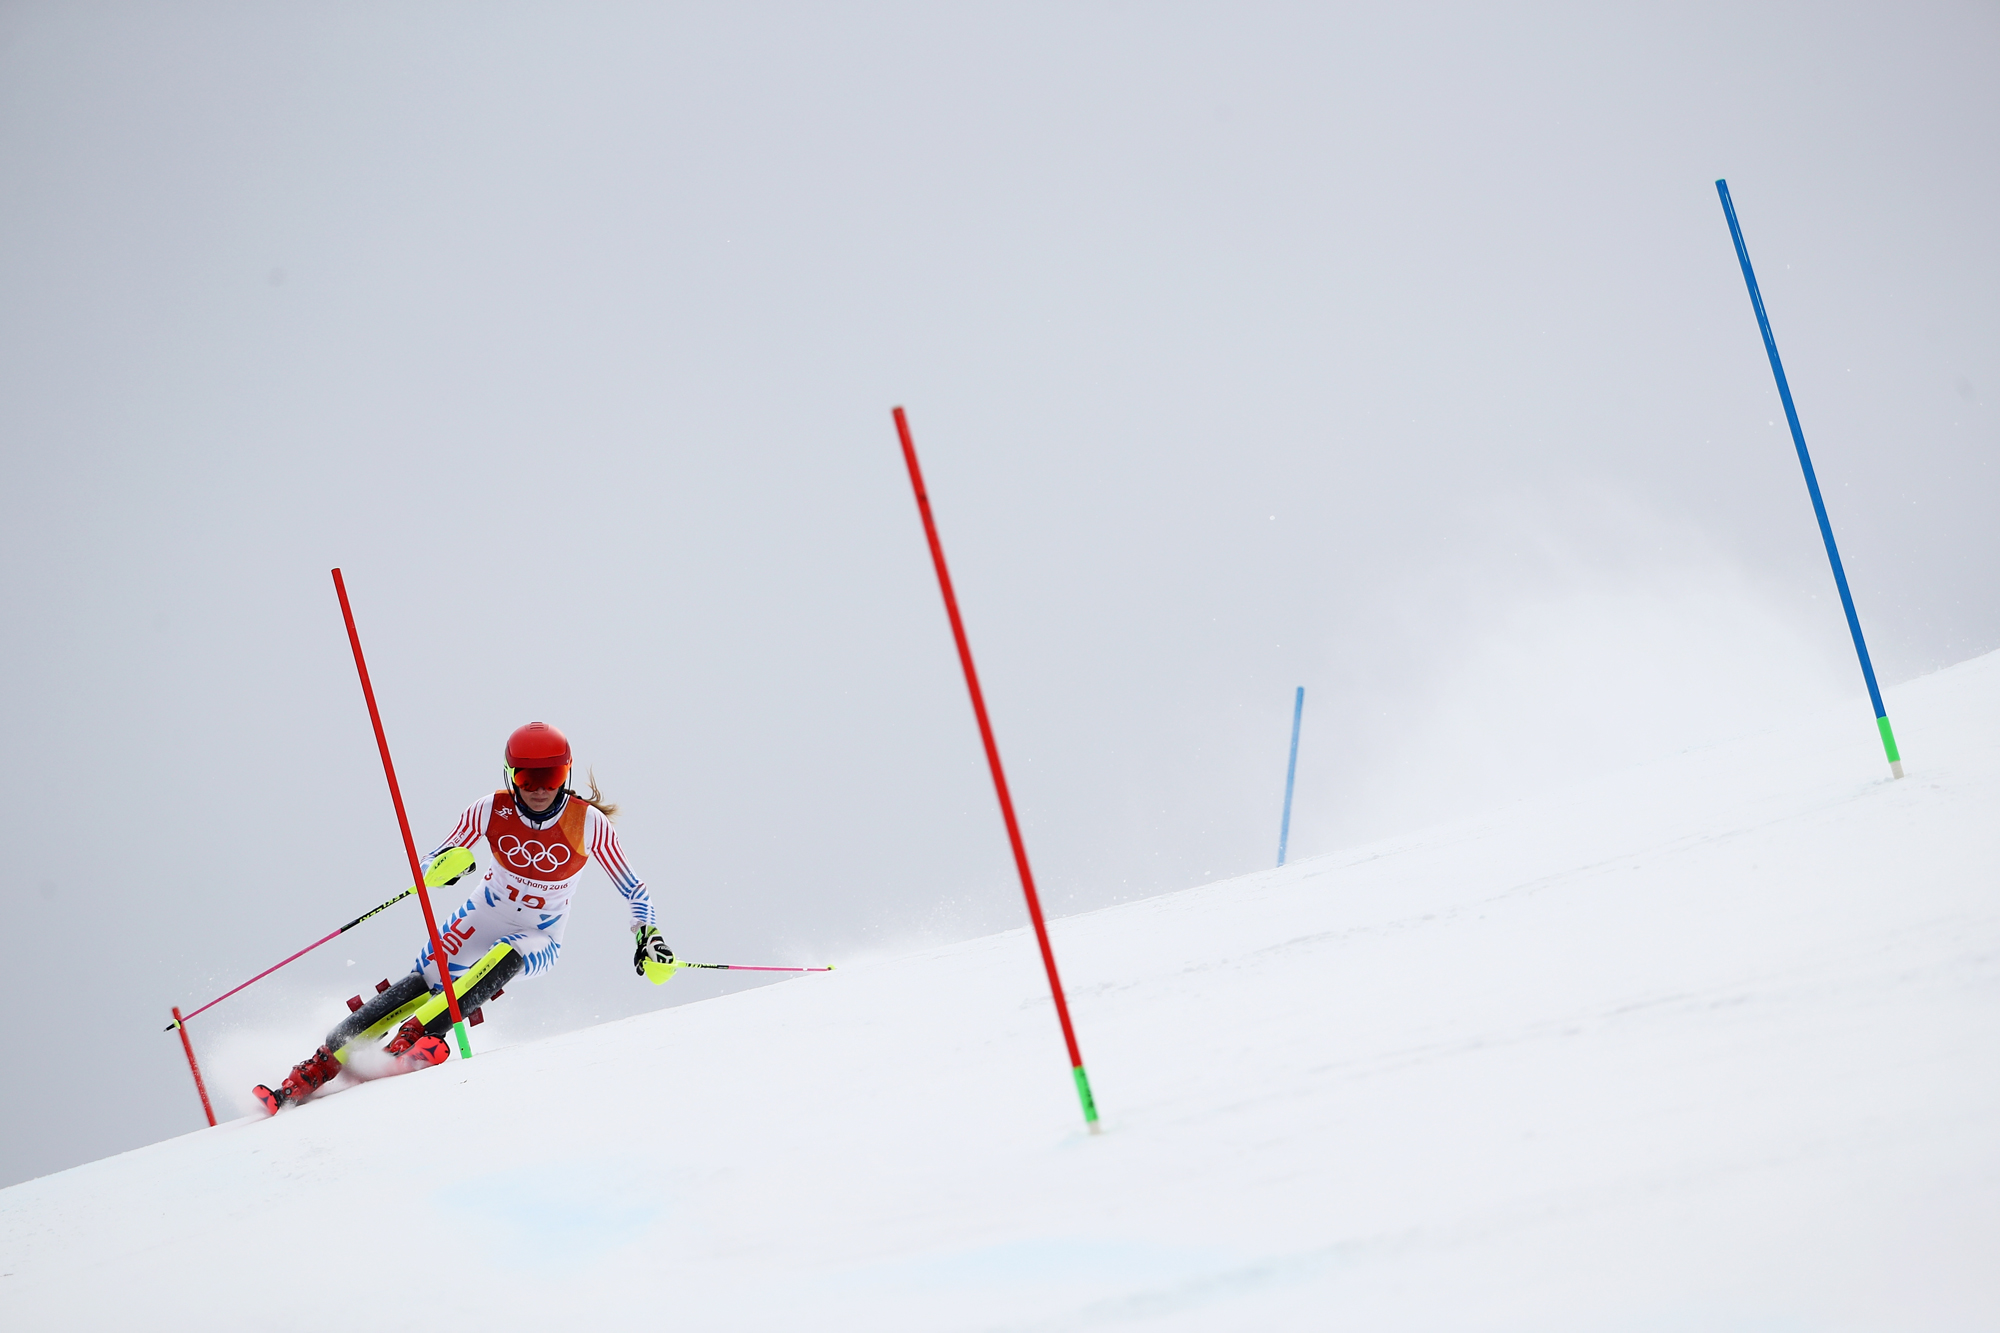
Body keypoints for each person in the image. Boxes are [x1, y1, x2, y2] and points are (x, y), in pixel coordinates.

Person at [254, 721, 671, 1114]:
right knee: (424, 982)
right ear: (511, 775)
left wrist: (648, 936)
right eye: (528, 779)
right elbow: (437, 858)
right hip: (484, 914)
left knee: (505, 955)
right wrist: (448, 865)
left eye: (552, 778)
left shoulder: (588, 824)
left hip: (540, 933)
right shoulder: (489, 809)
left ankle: (419, 1037)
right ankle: (319, 1064)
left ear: (567, 775)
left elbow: (633, 887)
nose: (540, 790)